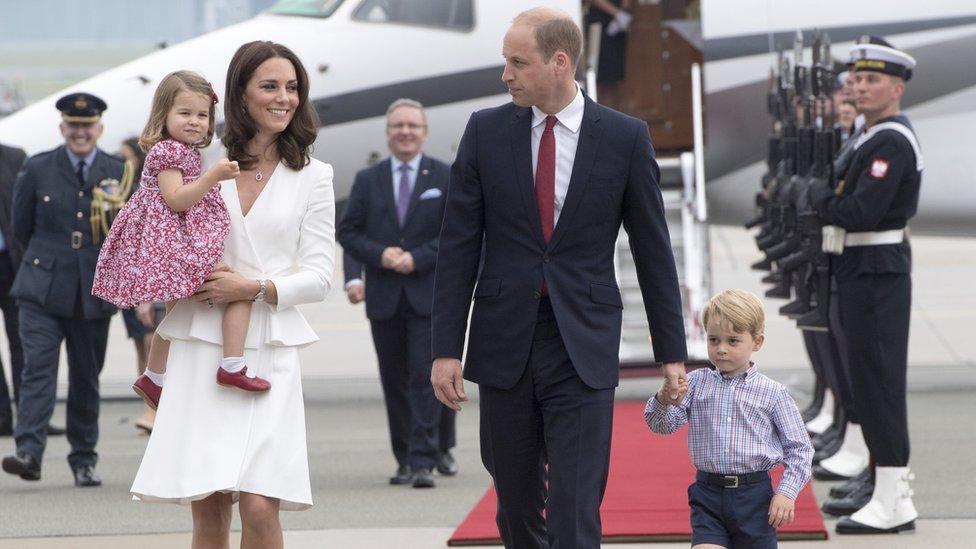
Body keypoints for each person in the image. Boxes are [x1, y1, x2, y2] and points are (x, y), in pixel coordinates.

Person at [430, 8, 687, 547]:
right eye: (506, 62)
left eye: (517, 63)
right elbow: (457, 247)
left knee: (574, 510)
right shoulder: (485, 132)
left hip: (583, 345)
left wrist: (672, 353)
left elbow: (653, 252)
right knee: (516, 510)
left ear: (559, 63)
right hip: (506, 343)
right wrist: (445, 349)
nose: (506, 75)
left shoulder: (623, 137)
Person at [129, 40, 334, 548]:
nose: (283, 97)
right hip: (201, 346)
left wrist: (255, 287)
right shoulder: (197, 162)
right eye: (269, 86)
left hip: (269, 353)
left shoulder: (315, 174)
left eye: (292, 87)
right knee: (212, 502)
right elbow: (155, 229)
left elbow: (320, 276)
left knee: (262, 506)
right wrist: (176, 279)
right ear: (241, 96)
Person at [93, 70, 271, 416]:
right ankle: (232, 365)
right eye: (185, 113)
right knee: (240, 288)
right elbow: (176, 199)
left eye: (202, 115)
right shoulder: (168, 152)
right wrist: (213, 177)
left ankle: (154, 377)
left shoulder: (183, 150)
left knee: (176, 315)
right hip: (171, 245)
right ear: (164, 115)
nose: (194, 122)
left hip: (175, 241)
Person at [810, 36, 921, 535]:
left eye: (874, 79)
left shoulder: (891, 141)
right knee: (867, 384)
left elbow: (860, 210)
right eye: (859, 78)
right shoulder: (870, 135)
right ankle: (883, 489)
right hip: (861, 267)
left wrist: (817, 198)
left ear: (896, 89)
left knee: (879, 386)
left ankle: (894, 499)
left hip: (877, 270)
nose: (862, 86)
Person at [1, 93, 124, 487]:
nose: (80, 133)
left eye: (87, 126)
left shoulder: (117, 171)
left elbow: (124, 232)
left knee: (86, 377)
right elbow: (21, 226)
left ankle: (84, 459)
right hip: (41, 288)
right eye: (73, 126)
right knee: (38, 370)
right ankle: (29, 452)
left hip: (93, 289)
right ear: (62, 129)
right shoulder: (37, 168)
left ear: (99, 129)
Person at [338, 98, 457, 488]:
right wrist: (381, 255)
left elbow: (457, 235)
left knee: (425, 378)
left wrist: (418, 258)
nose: (405, 132)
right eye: (398, 126)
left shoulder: (444, 176)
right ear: (388, 133)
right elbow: (349, 232)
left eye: (412, 126)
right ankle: (404, 457)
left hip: (429, 296)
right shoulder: (367, 180)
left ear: (424, 132)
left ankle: (425, 459)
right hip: (385, 299)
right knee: (394, 380)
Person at [646, 289, 813, 549]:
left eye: (733, 341)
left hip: (755, 498)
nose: (721, 349)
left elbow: (800, 449)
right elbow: (662, 425)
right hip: (707, 495)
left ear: (756, 342)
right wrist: (664, 399)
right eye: (714, 339)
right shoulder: (695, 383)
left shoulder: (773, 393)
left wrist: (786, 492)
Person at [116, 137, 159, 433]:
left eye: (126, 158)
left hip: (148, 281)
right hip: (130, 280)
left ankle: (153, 410)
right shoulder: (121, 191)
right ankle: (149, 402)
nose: (123, 164)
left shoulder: (147, 194)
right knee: (140, 345)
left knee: (152, 340)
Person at [0, 140, 27, 437]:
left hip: (12, 263)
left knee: (23, 341)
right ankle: (1, 417)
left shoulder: (14, 157)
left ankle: (30, 416)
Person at [586, 0, 633, 110]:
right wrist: (616, 13)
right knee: (598, 78)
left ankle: (612, 117)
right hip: (599, 23)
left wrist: (623, 10)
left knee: (613, 80)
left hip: (618, 26)